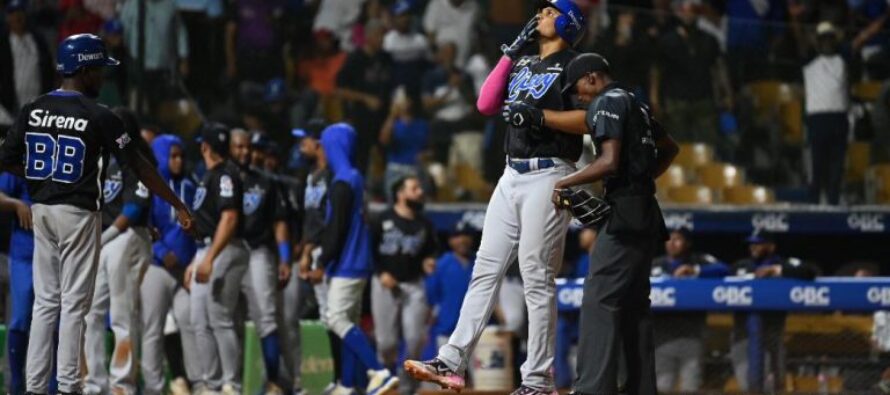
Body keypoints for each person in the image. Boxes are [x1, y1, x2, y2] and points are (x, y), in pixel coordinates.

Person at [405, 2, 587, 393]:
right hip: (511, 173)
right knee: (485, 268)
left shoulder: (576, 64)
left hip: (551, 171)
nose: (541, 13)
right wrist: (510, 54)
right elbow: (485, 103)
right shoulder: (523, 63)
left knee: (536, 276)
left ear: (568, 24)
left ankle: (537, 381)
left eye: (551, 11)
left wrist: (541, 118)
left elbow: (592, 118)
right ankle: (451, 360)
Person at [0, 33, 192, 395]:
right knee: (74, 305)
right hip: (78, 213)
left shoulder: (33, 108)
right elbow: (139, 165)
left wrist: (46, 175)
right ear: (83, 69)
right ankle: (70, 386)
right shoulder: (98, 115)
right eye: (99, 69)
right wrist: (177, 204)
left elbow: (6, 158)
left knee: (46, 303)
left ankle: (36, 387)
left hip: (43, 210)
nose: (102, 78)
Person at [541, 52, 679, 395]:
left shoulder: (606, 101)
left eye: (576, 90)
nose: (578, 99)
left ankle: (591, 389)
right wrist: (641, 179)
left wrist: (565, 182)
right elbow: (671, 149)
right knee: (634, 307)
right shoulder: (636, 103)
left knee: (599, 300)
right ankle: (640, 387)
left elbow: (608, 161)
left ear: (590, 77)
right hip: (645, 212)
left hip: (624, 216)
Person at [311, 123, 399, 395]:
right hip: (360, 263)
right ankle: (347, 385)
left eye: (325, 145)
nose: (322, 151)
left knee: (336, 319)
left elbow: (335, 229)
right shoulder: (357, 178)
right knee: (347, 322)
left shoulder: (340, 183)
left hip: (347, 264)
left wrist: (322, 262)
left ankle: (379, 372)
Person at [83, 107, 158, 395]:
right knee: (91, 313)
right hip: (105, 240)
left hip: (127, 238)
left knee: (122, 315)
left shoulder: (139, 157)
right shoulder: (105, 157)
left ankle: (122, 384)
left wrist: (106, 237)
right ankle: (95, 383)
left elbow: (134, 206)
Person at [185, 123, 249, 395]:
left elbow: (230, 217)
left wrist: (209, 258)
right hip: (209, 248)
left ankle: (231, 385)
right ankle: (210, 385)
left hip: (226, 248)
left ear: (205, 147)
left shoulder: (225, 175)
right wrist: (197, 258)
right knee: (199, 319)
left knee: (219, 318)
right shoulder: (211, 175)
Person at [229, 128, 292, 394]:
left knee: (266, 319)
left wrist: (285, 258)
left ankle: (274, 382)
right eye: (240, 147)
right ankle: (230, 384)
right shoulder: (219, 178)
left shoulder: (266, 182)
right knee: (229, 323)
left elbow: (280, 222)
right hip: (227, 252)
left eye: (248, 148)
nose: (245, 152)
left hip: (257, 252)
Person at [141, 134, 200, 395]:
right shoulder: (151, 188)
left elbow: (200, 226)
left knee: (190, 323)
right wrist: (161, 250)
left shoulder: (192, 185)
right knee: (153, 328)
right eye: (172, 156)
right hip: (157, 266)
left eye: (181, 156)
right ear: (162, 156)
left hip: (185, 269)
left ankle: (197, 382)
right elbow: (145, 225)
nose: (178, 161)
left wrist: (194, 259)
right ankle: (154, 387)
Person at [370, 175, 438, 395]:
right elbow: (369, 251)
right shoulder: (382, 219)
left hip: (413, 285)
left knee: (415, 338)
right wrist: (381, 273)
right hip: (385, 284)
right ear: (400, 193)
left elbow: (430, 251)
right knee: (386, 342)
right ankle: (387, 380)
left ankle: (408, 388)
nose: (419, 192)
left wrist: (428, 261)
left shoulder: (424, 223)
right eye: (414, 188)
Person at [730, 229, 817, 392]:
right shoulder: (741, 266)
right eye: (752, 244)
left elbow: (809, 271)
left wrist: (777, 271)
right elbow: (720, 274)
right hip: (742, 334)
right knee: (749, 387)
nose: (753, 247)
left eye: (759, 243)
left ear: (771, 246)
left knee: (773, 387)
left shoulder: (782, 264)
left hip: (772, 333)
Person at [651, 227, 730, 393]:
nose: (672, 243)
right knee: (663, 387)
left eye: (678, 239)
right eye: (669, 239)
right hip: (663, 338)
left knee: (691, 388)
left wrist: (696, 271)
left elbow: (725, 269)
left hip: (692, 337)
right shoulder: (656, 264)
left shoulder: (697, 260)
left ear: (687, 243)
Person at [0, 173, 43, 395]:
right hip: (25, 249)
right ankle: (16, 386)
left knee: (58, 321)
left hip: (58, 250)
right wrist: (16, 203)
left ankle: (54, 387)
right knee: (21, 318)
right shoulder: (24, 157)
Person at [424, 221, 476, 360]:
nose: (462, 240)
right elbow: (430, 298)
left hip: (475, 332)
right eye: (457, 236)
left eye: (466, 235)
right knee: (447, 377)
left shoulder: (479, 263)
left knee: (480, 379)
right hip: (446, 330)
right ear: (450, 240)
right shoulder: (441, 264)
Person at [0, 0, 54, 131]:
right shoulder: (2, 42)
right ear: (7, 17)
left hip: (36, 109)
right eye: (13, 13)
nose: (17, 17)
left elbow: (48, 71)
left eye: (20, 12)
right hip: (6, 112)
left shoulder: (38, 40)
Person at [554, 228, 596, 390]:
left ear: (594, 233)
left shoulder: (604, 258)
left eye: (585, 231)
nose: (581, 235)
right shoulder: (582, 259)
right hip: (576, 317)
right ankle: (562, 384)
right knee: (561, 326)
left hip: (596, 318)